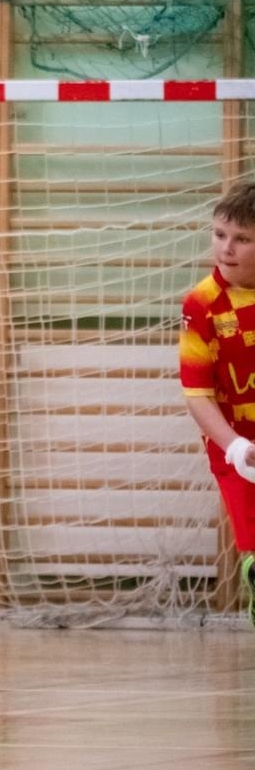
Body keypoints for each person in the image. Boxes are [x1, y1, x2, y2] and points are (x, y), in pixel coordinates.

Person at [179, 181, 255, 626]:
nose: (226, 248)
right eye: (219, 234)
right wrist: (235, 447)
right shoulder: (201, 304)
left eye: (242, 239)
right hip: (234, 446)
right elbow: (197, 395)